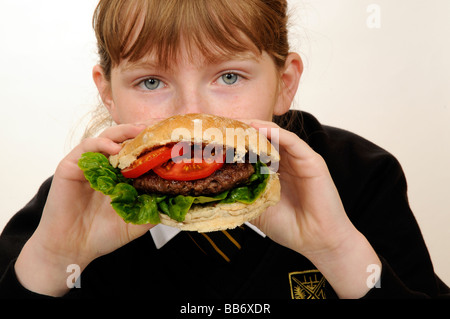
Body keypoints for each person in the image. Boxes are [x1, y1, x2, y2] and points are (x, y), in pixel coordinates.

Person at [0, 0, 448, 299]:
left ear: (284, 84)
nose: (192, 116)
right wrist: (54, 262)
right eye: (151, 81)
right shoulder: (73, 203)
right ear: (109, 94)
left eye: (229, 77)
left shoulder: (362, 176)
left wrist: (337, 250)